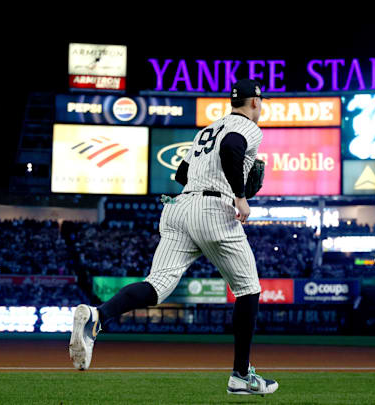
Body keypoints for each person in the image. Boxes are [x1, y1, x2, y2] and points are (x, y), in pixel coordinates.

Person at [69, 78, 278, 396]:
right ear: (255, 102)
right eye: (260, 102)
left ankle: (98, 316)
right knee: (248, 289)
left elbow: (181, 174)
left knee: (156, 286)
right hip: (214, 208)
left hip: (181, 208)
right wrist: (240, 194)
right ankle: (240, 376)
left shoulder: (207, 129)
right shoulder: (247, 127)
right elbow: (231, 147)